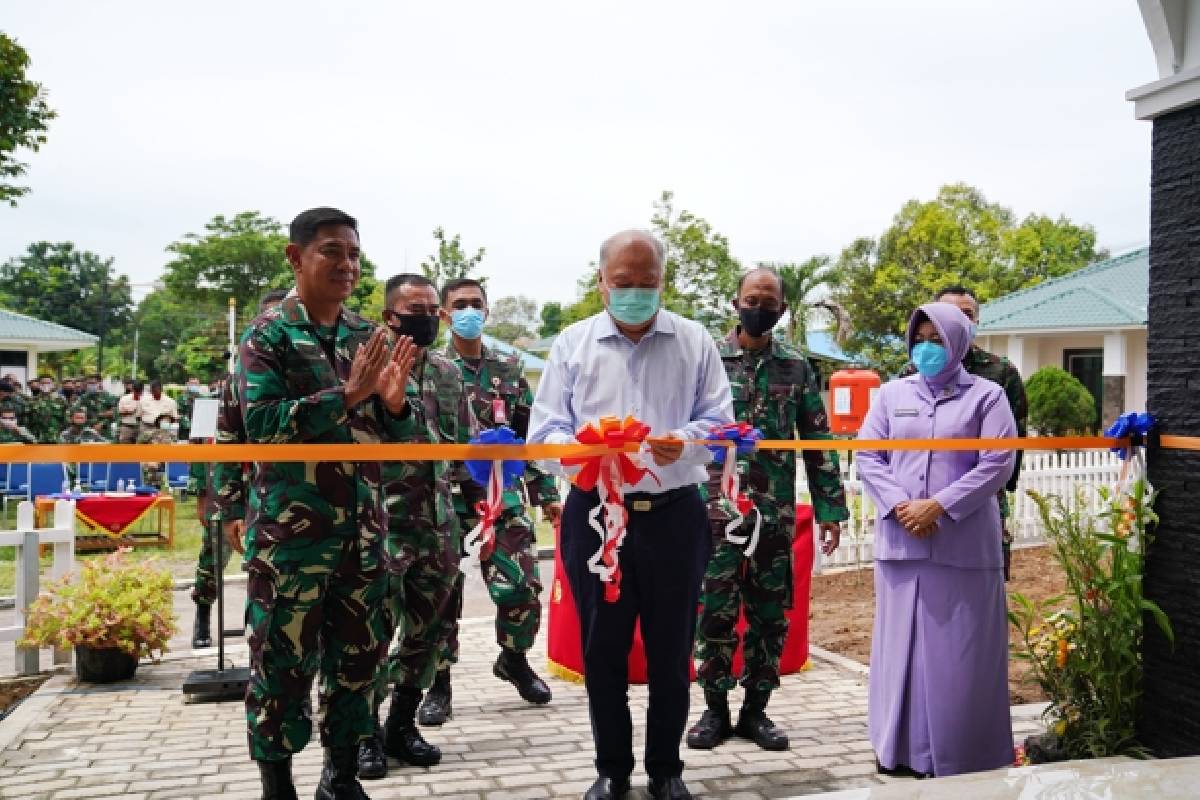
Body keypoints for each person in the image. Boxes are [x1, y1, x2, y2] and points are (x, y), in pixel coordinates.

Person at [528, 229, 733, 800]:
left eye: (648, 283)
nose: (636, 293)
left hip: (673, 514)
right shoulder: (571, 345)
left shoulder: (693, 341)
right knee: (603, 650)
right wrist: (584, 449)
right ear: (602, 283)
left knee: (672, 650)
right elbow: (542, 433)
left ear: (662, 282)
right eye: (624, 283)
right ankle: (612, 770)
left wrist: (685, 441)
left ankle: (666, 772)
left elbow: (720, 420)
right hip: (595, 516)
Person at [237, 207, 418, 800]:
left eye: (355, 255)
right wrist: (348, 394)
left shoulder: (370, 336)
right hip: (292, 541)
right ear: (296, 257)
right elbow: (260, 426)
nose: (347, 265)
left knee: (359, 662)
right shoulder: (266, 337)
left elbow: (396, 442)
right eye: (332, 252)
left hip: (365, 533)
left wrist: (392, 407)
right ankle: (277, 783)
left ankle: (340, 775)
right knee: (281, 667)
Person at [687, 267, 849, 754]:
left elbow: (817, 441)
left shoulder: (797, 366)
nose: (761, 308)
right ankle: (714, 709)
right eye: (752, 299)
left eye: (771, 301)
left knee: (769, 616)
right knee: (714, 612)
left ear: (782, 309)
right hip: (715, 513)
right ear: (735, 302)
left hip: (772, 514)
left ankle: (756, 708)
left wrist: (830, 509)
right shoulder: (707, 359)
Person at [855, 301, 1016, 779]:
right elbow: (868, 455)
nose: (927, 347)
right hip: (901, 545)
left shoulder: (988, 396)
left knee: (960, 657)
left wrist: (939, 505)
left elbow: (997, 463)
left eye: (937, 339)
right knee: (898, 652)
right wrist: (902, 505)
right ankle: (897, 752)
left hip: (962, 547)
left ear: (959, 342)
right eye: (919, 338)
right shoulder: (890, 394)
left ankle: (965, 755)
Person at [417, 276, 561, 726]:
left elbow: (529, 434)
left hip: (503, 499)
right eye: (459, 304)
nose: (469, 310)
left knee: (522, 588)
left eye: (476, 303)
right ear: (443, 313)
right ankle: (438, 682)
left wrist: (546, 492)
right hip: (444, 499)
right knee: (440, 597)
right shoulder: (430, 366)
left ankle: (513, 658)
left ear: (487, 310)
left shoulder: (509, 366)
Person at [359, 273, 465, 780]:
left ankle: (402, 723)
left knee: (427, 633)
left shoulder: (448, 372)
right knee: (372, 635)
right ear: (389, 317)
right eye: (414, 310)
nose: (427, 319)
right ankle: (363, 734)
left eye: (431, 310)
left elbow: (462, 447)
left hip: (439, 523)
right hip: (384, 523)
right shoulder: (363, 369)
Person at [899, 286, 1028, 580]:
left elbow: (1015, 436)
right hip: (918, 498)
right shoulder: (912, 372)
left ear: (977, 322)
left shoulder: (999, 371)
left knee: (982, 577)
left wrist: (1003, 485)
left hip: (982, 493)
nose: (957, 319)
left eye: (966, 314)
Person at [191, 288, 289, 651]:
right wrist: (209, 498)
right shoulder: (236, 382)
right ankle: (203, 613)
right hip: (236, 486)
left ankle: (256, 625)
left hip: (279, 489)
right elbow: (213, 446)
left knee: (267, 566)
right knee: (213, 554)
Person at [138, 411, 178, 486]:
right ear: (159, 421)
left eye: (169, 421)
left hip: (167, 459)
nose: (167, 422)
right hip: (152, 459)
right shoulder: (150, 433)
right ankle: (151, 485)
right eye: (164, 420)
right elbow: (139, 446)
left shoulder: (172, 436)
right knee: (152, 464)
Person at [25, 375, 66, 443]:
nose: (45, 385)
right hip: (37, 439)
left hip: (56, 439)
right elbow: (27, 421)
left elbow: (66, 420)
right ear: (38, 385)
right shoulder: (32, 401)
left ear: (53, 385)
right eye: (43, 383)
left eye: (48, 383)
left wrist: (61, 435)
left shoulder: (61, 400)